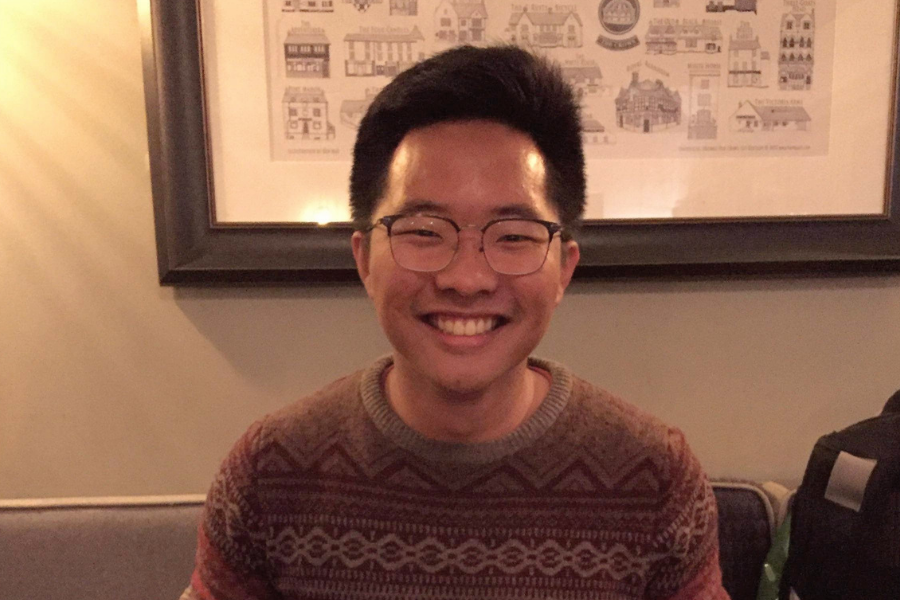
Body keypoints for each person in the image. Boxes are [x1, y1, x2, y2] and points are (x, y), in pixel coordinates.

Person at [181, 45, 728, 600]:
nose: (467, 279)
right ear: (364, 259)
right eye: (424, 231)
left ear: (564, 268)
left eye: (513, 236)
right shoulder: (271, 474)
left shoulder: (654, 478)